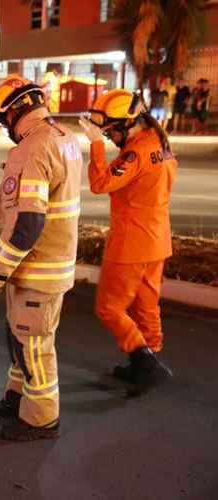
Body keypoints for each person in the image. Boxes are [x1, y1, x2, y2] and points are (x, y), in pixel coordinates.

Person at [0, 75, 82, 441]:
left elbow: (28, 223)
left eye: (2, 119)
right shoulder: (64, 139)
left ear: (14, 112)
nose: (4, 127)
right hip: (48, 264)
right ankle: (17, 399)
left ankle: (39, 419)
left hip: (36, 268)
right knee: (21, 339)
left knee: (34, 346)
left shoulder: (33, 148)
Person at [79, 89, 177, 396]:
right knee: (146, 306)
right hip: (157, 239)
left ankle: (145, 363)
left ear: (128, 123)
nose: (109, 137)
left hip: (131, 242)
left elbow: (101, 183)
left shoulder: (136, 153)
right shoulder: (159, 144)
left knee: (109, 308)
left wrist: (94, 143)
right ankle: (147, 361)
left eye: (110, 131)